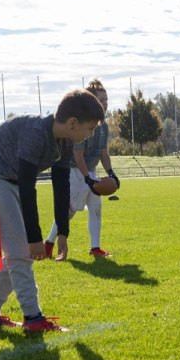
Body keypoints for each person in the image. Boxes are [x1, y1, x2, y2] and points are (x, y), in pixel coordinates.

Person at [0, 89, 106, 332]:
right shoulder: (36, 133)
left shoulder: (65, 141)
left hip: (8, 181)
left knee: (15, 253)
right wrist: (35, 238)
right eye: (90, 128)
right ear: (73, 123)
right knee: (21, 252)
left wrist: (63, 232)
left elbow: (61, 184)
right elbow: (27, 185)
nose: (91, 134)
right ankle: (34, 319)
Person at [43, 78, 117, 260]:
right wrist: (87, 179)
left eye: (106, 100)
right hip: (75, 171)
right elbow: (77, 155)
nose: (105, 104)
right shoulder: (81, 124)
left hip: (90, 172)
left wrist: (111, 174)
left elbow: (102, 152)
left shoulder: (103, 126)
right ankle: (49, 243)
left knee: (96, 207)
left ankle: (95, 248)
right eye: (101, 100)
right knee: (70, 211)